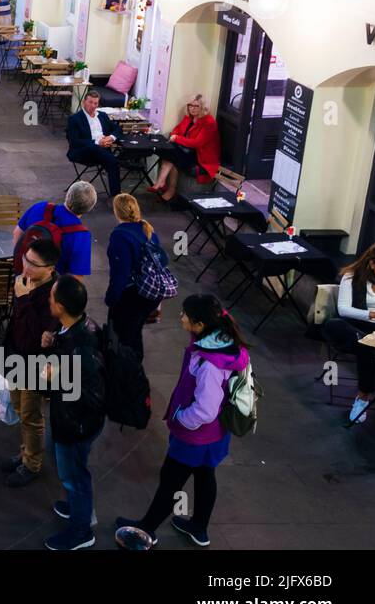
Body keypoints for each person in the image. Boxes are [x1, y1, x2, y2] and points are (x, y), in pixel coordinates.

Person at [114, 294, 250, 550]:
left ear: (200, 324)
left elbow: (205, 410)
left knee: (170, 481)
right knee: (204, 474)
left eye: (185, 315)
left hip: (196, 436)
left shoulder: (209, 364)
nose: (181, 317)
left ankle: (147, 530)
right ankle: (199, 527)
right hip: (216, 434)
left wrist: (180, 417)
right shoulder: (222, 338)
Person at [42, 274, 106, 550]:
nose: (48, 299)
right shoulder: (81, 327)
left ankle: (81, 530)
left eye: (52, 297)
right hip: (76, 420)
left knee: (74, 475)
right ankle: (76, 505)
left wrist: (50, 373)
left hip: (75, 424)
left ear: (61, 307)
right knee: (71, 471)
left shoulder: (80, 350)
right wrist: (53, 344)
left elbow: (81, 392)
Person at [0, 237, 62, 488]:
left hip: (36, 366)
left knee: (32, 416)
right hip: (16, 356)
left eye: (34, 264)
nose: (26, 266)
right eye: (26, 259)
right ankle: (25, 453)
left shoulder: (55, 296)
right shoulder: (25, 282)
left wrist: (23, 299)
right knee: (19, 410)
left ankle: (32, 464)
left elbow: (40, 335)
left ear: (50, 268)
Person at [322, 242, 375, 424]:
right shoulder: (351, 278)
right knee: (335, 325)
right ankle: (362, 398)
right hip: (353, 328)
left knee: (368, 349)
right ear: (372, 263)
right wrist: (373, 314)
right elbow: (344, 310)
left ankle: (363, 397)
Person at [105, 193, 169, 361]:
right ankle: (135, 368)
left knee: (122, 338)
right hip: (150, 295)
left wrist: (111, 298)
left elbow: (121, 273)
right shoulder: (147, 230)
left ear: (116, 212)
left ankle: (126, 374)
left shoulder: (120, 236)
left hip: (132, 296)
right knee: (135, 332)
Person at [13, 181, 96, 279]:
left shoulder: (40, 208)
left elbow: (17, 233)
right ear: (89, 208)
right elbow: (75, 277)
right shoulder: (81, 236)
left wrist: (22, 264)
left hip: (22, 275)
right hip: (49, 287)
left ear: (68, 196)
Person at [149, 93, 220, 201]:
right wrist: (175, 135)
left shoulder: (209, 122)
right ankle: (164, 185)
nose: (192, 108)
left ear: (203, 107)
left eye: (196, 106)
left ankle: (163, 184)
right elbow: (177, 129)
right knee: (171, 152)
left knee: (172, 152)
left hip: (200, 157)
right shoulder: (189, 117)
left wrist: (176, 138)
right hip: (187, 152)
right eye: (190, 105)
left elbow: (198, 143)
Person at [66, 89, 123, 196]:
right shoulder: (74, 119)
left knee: (112, 161)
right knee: (110, 159)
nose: (93, 105)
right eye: (90, 102)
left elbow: (117, 128)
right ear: (84, 102)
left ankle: (116, 196)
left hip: (103, 149)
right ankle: (117, 196)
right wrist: (98, 142)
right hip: (84, 151)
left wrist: (110, 138)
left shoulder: (102, 115)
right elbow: (75, 141)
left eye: (95, 103)